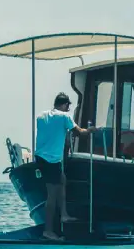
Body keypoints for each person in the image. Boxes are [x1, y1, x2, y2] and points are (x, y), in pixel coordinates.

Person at [34, 92, 96, 240]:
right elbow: (80, 132)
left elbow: (52, 132)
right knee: (52, 194)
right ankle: (48, 231)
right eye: (68, 107)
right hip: (52, 160)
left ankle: (64, 215)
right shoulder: (64, 117)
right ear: (65, 105)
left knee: (62, 179)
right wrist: (91, 130)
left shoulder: (41, 116)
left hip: (40, 157)